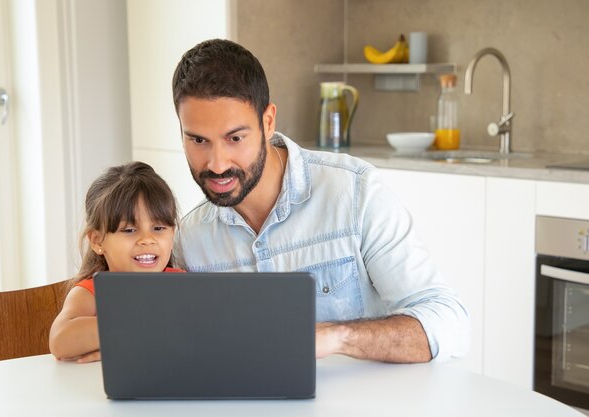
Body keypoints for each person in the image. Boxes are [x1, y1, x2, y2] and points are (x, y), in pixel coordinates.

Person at [171, 39, 470, 364]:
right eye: (198, 140)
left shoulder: (354, 193)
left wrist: (337, 336)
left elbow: (449, 323)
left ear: (268, 122)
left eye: (235, 138)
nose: (216, 164)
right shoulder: (190, 238)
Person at [49, 161, 184, 363]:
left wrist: (128, 342)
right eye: (129, 230)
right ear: (97, 240)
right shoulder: (92, 292)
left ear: (172, 235)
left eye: (158, 228)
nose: (147, 239)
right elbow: (60, 340)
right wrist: (136, 333)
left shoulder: (183, 285)